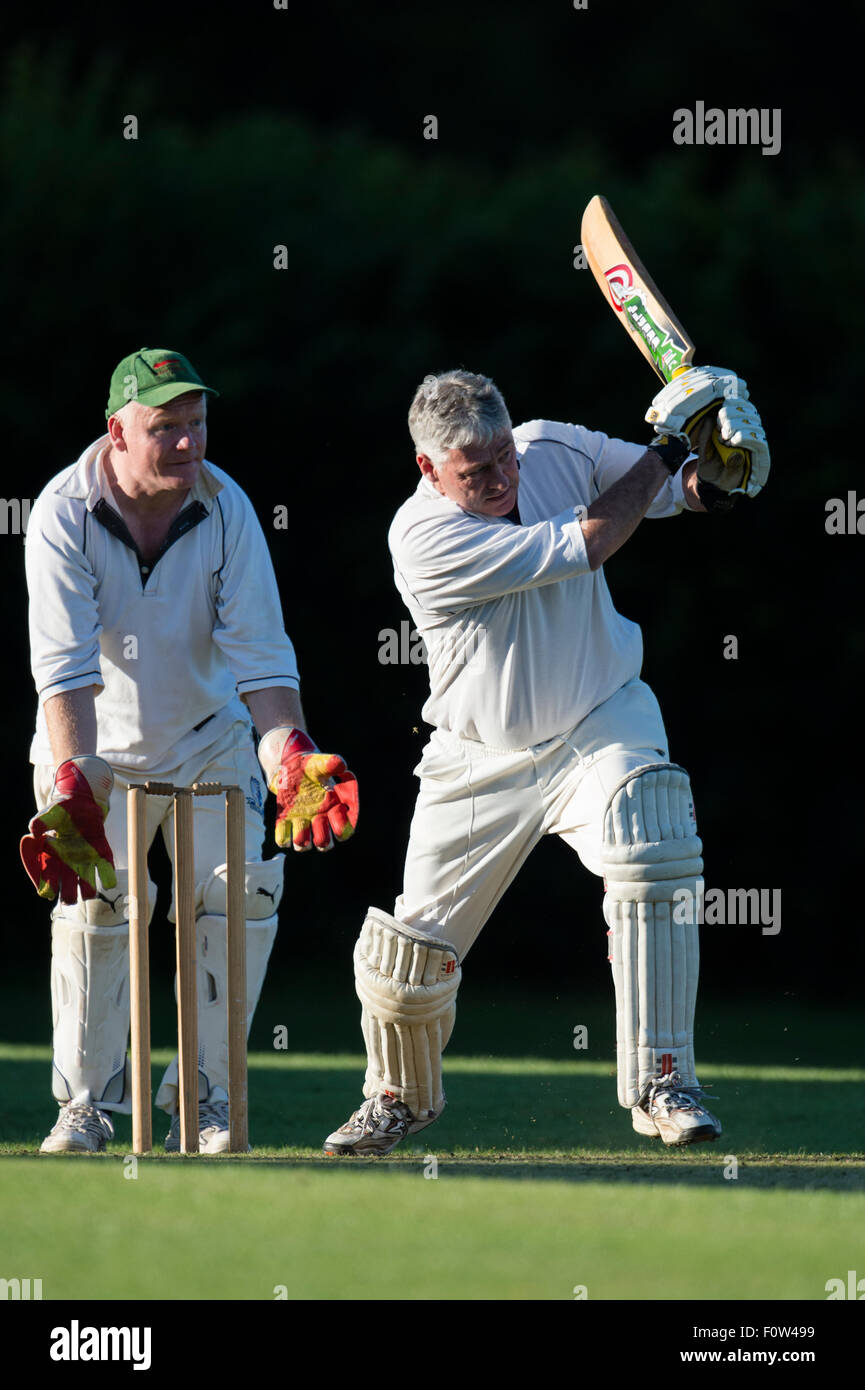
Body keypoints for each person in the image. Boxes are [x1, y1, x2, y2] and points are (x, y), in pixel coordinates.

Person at [322, 366, 769, 1156]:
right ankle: (396, 1096)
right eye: (475, 472)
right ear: (428, 469)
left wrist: (720, 474)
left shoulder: (552, 446)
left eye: (503, 457)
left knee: (652, 839)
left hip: (600, 715)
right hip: (478, 755)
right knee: (405, 961)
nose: (499, 478)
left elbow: (664, 490)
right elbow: (590, 541)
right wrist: (671, 443)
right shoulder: (420, 536)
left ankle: (663, 1080)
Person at [22, 347, 358, 1154]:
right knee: (97, 903)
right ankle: (88, 1104)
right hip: (97, 746)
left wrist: (289, 756)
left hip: (209, 737)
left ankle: (201, 1097)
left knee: (239, 896)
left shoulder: (225, 506)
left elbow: (263, 656)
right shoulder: (61, 513)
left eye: (196, 424)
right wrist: (76, 783)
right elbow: (63, 669)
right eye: (165, 427)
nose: (186, 443)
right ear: (117, 431)